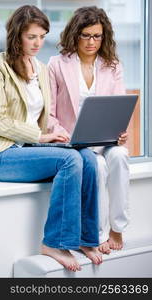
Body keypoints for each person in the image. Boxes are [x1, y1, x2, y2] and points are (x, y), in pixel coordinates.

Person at [0, 5, 102, 271]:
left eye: (42, 36)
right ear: (17, 34)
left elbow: (44, 118)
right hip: (1, 156)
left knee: (87, 157)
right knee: (69, 160)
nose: (38, 43)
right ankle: (54, 242)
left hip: (30, 149)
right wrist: (42, 137)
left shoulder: (41, 69)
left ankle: (85, 238)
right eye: (31, 36)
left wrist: (60, 135)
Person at [48, 6, 129, 254]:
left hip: (105, 139)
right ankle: (97, 234)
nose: (92, 42)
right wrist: (62, 133)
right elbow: (49, 114)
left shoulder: (112, 66)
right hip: (73, 141)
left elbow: (118, 106)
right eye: (86, 35)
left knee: (119, 156)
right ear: (75, 34)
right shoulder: (56, 65)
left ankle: (117, 227)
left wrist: (120, 131)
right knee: (99, 165)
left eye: (97, 36)